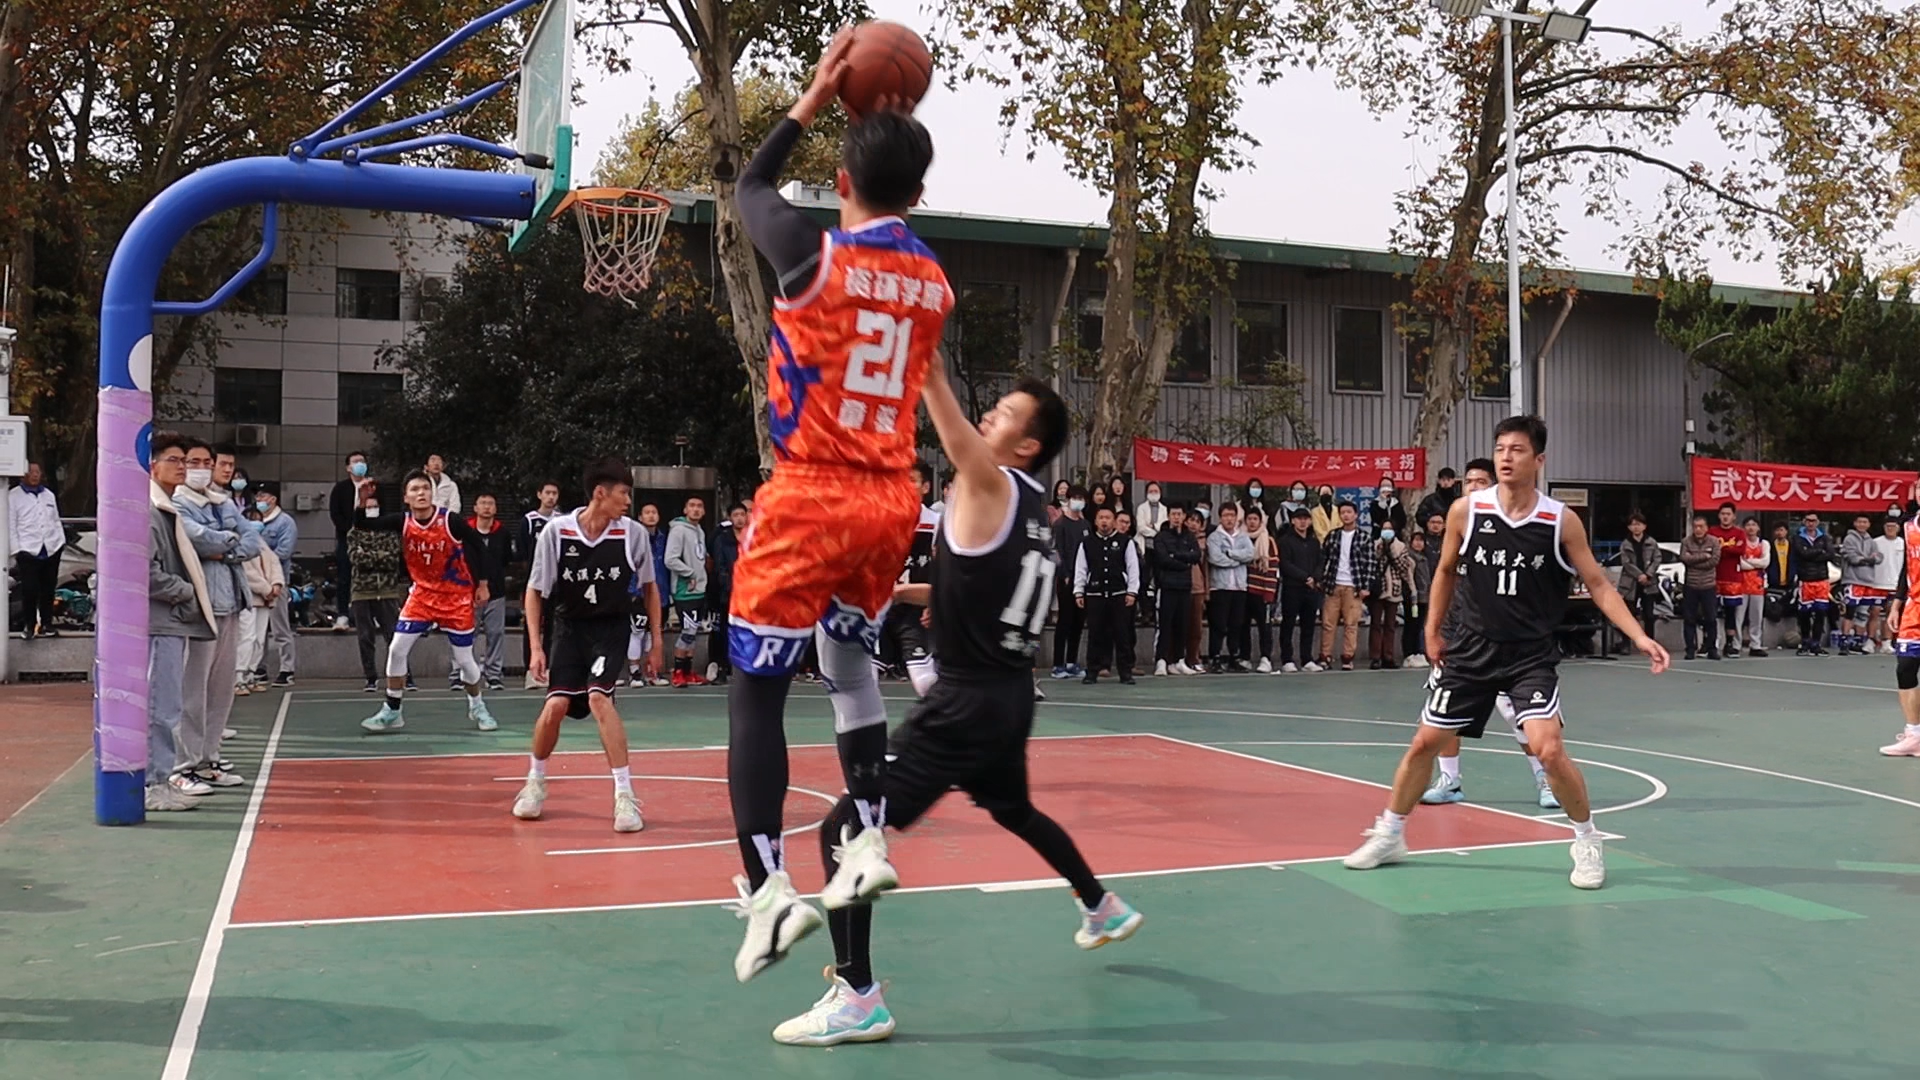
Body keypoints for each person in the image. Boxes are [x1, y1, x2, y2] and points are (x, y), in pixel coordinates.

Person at [769, 360, 1141, 1047]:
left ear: (1027, 445)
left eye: (1004, 414)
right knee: (1014, 809)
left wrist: (928, 369)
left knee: (847, 830)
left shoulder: (988, 481)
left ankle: (857, 997)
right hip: (1009, 696)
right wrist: (896, 594)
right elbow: (972, 587)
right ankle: (1101, 904)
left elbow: (954, 439)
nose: (990, 416)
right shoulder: (1031, 509)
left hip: (966, 702)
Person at [723, 36, 954, 983]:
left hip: (811, 491)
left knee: (755, 691)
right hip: (892, 500)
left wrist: (816, 95)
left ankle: (769, 893)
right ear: (918, 192)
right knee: (851, 668)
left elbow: (749, 187)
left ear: (843, 178)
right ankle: (865, 839)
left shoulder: (810, 256)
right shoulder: (936, 283)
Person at [1345, 416, 1669, 890]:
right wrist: (1431, 631)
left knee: (1548, 749)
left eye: (1517, 450)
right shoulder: (1467, 510)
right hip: (1471, 648)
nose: (1505, 457)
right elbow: (1445, 572)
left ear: (1539, 459)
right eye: (1500, 449)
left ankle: (1586, 840)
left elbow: (1599, 584)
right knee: (1423, 744)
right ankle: (1390, 833)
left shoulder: (1559, 520)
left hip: (1528, 655)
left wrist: (1639, 636)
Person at [513, 457, 665, 833]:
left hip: (610, 629)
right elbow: (534, 592)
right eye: (623, 494)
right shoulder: (557, 532)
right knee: (556, 705)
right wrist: (536, 647)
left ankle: (624, 796)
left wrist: (656, 641)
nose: (628, 502)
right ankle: (535, 782)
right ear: (600, 493)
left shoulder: (632, 534)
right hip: (568, 629)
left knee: (599, 697)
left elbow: (650, 589)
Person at [1414, 457, 1557, 810]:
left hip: (1505, 639)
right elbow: (1443, 577)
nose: (1473, 486)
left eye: (1481, 481)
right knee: (1443, 714)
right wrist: (1434, 630)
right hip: (1459, 635)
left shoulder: (1509, 528)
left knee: (1518, 716)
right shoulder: (1459, 523)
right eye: (1469, 481)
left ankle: (1545, 779)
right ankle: (1450, 780)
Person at [357, 470, 499, 734]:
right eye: (415, 489)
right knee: (397, 649)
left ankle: (477, 705)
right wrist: (361, 500)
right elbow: (364, 524)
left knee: (464, 659)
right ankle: (392, 709)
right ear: (406, 497)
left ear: (432, 493)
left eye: (425, 488)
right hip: (422, 596)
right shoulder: (403, 521)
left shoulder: (450, 521)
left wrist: (482, 583)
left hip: (456, 597)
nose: (421, 493)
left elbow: (479, 546)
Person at [172, 438, 260, 789]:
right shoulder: (177, 503)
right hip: (200, 606)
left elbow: (252, 541)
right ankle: (184, 765)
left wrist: (225, 548)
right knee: (193, 690)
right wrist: (228, 541)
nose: (201, 469)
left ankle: (209, 758)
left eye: (206, 463)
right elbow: (197, 539)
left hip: (231, 603)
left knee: (221, 691)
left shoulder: (222, 502)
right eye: (193, 462)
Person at [146, 432, 218, 811]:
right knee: (160, 706)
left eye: (183, 460)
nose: (182, 467)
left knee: (167, 705)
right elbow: (146, 573)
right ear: (152, 465)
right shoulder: (150, 511)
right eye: (173, 460)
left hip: (170, 622)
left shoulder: (165, 508)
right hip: (160, 623)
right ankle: (153, 784)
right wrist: (186, 591)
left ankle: (159, 779)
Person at [880, 465, 939, 696]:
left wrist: (934, 603)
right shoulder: (879, 520)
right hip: (878, 608)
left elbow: (946, 572)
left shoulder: (937, 524)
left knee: (924, 681)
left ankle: (954, 709)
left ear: (926, 487)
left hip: (914, 609)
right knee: (860, 676)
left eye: (912, 480)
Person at [347, 483, 406, 692]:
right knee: (365, 637)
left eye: (375, 506)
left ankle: (401, 674)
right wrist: (379, 556)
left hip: (387, 590)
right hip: (362, 591)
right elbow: (356, 559)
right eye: (368, 507)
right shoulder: (355, 533)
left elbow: (393, 559)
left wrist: (370, 556)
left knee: (394, 635)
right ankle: (370, 677)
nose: (371, 510)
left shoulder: (390, 531)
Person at [1074, 504, 1139, 684]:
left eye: (1108, 518)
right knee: (1095, 634)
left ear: (1114, 521)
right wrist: (1079, 591)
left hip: (1119, 594)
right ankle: (1092, 671)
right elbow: (1081, 568)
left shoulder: (1125, 542)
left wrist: (1132, 591)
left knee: (1122, 634)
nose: (1104, 521)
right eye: (1101, 518)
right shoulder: (1087, 543)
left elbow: (1133, 568)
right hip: (1095, 594)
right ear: (1095, 521)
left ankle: (1125, 672)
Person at [458, 494, 513, 691]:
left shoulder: (503, 533)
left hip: (496, 592)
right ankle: (461, 674)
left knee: (495, 633)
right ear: (475, 507)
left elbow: (506, 559)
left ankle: (493, 675)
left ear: (495, 509)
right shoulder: (464, 531)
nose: (486, 507)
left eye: (490, 504)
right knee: (464, 634)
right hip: (468, 592)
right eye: (483, 503)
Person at [1880, 487, 1920, 756]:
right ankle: (1914, 735)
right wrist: (1896, 604)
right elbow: (1907, 567)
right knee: (1905, 667)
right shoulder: (1909, 526)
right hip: (1914, 607)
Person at [8, 462, 63, 639]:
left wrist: (60, 541)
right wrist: (17, 550)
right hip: (28, 549)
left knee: (49, 589)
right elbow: (11, 525)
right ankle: (29, 625)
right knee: (29, 590)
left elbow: (55, 520)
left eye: (37, 472)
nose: (34, 475)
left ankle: (47, 624)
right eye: (31, 472)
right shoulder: (13, 496)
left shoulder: (48, 495)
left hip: (51, 548)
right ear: (23, 474)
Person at [1316, 501, 1373, 671]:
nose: (1346, 515)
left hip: (1353, 587)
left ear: (1356, 514)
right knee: (1328, 623)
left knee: (1351, 624)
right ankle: (1325, 656)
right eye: (1343, 512)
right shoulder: (1333, 535)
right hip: (1333, 585)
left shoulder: (1364, 537)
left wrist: (1366, 587)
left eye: (1349, 512)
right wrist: (1321, 579)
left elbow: (1370, 563)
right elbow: (1323, 558)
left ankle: (1348, 657)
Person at [520, 480, 564, 689]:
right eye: (547, 492)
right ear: (539, 495)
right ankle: (531, 671)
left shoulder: (562, 521)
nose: (551, 497)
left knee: (554, 627)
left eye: (554, 493)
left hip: (556, 583)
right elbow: (522, 554)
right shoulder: (529, 521)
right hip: (534, 583)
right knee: (532, 625)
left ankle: (549, 670)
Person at [254, 484, 298, 686]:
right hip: (256, 582)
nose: (259, 500)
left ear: (273, 499)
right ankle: (258, 667)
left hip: (276, 580)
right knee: (258, 629)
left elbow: (284, 552)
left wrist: (262, 562)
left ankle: (287, 669)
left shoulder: (285, 522)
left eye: (263, 496)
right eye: (257, 496)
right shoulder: (254, 520)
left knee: (280, 627)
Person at [665, 496, 710, 687]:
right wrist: (690, 573)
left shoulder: (699, 531)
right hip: (685, 590)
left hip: (699, 589)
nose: (696, 509)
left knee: (693, 631)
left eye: (699, 506)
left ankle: (688, 670)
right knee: (687, 631)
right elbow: (670, 559)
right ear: (685, 510)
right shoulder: (678, 530)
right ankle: (677, 671)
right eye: (692, 506)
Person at [1205, 502, 1256, 671]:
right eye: (1226, 515)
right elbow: (1215, 558)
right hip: (1220, 587)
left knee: (1236, 624)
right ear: (1220, 517)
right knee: (1218, 624)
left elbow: (1250, 554)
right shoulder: (1214, 537)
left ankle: (1234, 656)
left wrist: (1230, 553)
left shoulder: (1243, 536)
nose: (1229, 519)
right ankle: (1215, 657)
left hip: (1239, 587)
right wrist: (1238, 561)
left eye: (1232, 515)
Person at [1151, 505, 1200, 676]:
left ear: (1184, 516)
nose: (1176, 517)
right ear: (1168, 516)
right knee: (1165, 625)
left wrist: (1176, 555)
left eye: (1179, 514)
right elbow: (1163, 559)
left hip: (1185, 586)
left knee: (1182, 624)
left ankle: (1179, 660)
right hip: (1167, 585)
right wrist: (1184, 562)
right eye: (1173, 514)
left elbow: (1196, 556)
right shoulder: (1161, 536)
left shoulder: (1189, 536)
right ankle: (1161, 660)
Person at [1049, 485, 1089, 678]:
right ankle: (1058, 664)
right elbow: (1056, 551)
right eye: (1075, 497)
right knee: (1064, 621)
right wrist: (1064, 574)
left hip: (1083, 579)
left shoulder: (1085, 525)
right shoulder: (1060, 524)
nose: (1078, 501)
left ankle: (1072, 661)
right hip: (1066, 579)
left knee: (1078, 621)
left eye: (1081, 498)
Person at [327, 451, 371, 629]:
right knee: (344, 577)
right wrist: (348, 530)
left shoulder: (372, 486)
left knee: (368, 577)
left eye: (362, 461)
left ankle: (370, 614)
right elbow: (335, 513)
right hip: (346, 538)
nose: (360, 464)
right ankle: (343, 614)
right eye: (355, 461)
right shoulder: (341, 488)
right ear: (348, 467)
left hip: (369, 539)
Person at [1276, 505, 1321, 672]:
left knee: (1308, 625)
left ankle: (1307, 658)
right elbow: (1285, 564)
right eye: (1299, 519)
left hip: (1311, 589)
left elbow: (1320, 562)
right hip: (1292, 588)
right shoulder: (1285, 541)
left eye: (1305, 519)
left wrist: (1315, 577)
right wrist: (1304, 577)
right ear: (1293, 521)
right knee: (1288, 624)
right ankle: (1287, 659)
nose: (1302, 522)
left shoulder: (1314, 542)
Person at [1368, 521, 1414, 669]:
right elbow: (1372, 564)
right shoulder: (1375, 545)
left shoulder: (1401, 546)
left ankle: (1388, 656)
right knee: (1376, 624)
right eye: (1384, 528)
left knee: (1390, 625)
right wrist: (1381, 551)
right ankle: (1375, 657)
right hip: (1378, 589)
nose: (1387, 531)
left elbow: (1403, 567)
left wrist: (1392, 552)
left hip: (1394, 589)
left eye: (1389, 529)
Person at [709, 502, 746, 685]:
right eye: (736, 515)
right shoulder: (722, 539)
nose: (739, 518)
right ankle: (722, 668)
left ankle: (744, 671)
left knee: (745, 633)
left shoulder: (753, 537)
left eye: (742, 514)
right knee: (724, 632)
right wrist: (729, 586)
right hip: (728, 594)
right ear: (730, 518)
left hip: (750, 594)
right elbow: (719, 567)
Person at [1838, 513, 1885, 655]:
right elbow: (1853, 558)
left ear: (1869, 524)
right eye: (1860, 522)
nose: (1862, 524)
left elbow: (1879, 557)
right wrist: (1868, 559)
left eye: (1865, 522)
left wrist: (1867, 559)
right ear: (1855, 523)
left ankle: (1858, 642)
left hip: (1868, 581)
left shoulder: (1871, 541)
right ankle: (1844, 641)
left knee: (1863, 613)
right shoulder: (1849, 539)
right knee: (1850, 612)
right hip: (1853, 580)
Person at [1792, 512, 1835, 655]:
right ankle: (1805, 642)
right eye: (1808, 520)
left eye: (1814, 520)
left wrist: (1811, 553)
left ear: (1818, 522)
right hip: (1805, 580)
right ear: (1804, 522)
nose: (1811, 523)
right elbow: (1802, 554)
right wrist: (1819, 552)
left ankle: (1816, 643)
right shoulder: (1798, 538)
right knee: (1804, 613)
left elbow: (1830, 554)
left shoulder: (1825, 538)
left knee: (1821, 613)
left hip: (1822, 579)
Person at [1679, 516, 1722, 661]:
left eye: (1701, 526)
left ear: (1706, 528)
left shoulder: (1714, 541)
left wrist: (1694, 560)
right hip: (1691, 585)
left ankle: (1712, 649)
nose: (1698, 529)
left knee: (1711, 618)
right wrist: (1704, 555)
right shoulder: (1686, 542)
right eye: (1696, 526)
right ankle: (1690, 649)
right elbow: (1684, 559)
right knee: (1689, 619)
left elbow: (1714, 561)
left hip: (1708, 585)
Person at [1618, 512, 1663, 642]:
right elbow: (1626, 563)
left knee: (1649, 615)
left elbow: (1657, 559)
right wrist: (1639, 575)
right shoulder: (1625, 544)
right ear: (1629, 527)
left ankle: (1650, 642)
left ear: (1644, 526)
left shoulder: (1651, 542)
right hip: (1630, 584)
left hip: (1648, 583)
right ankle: (1626, 643)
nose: (1636, 527)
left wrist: (1648, 575)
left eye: (1638, 524)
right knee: (1629, 615)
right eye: (1633, 524)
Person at [1708, 502, 1747, 656]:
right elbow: (1710, 550)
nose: (1725, 517)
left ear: (1734, 516)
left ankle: (1729, 644)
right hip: (1714, 577)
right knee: (1712, 612)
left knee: (1731, 613)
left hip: (1733, 579)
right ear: (1719, 516)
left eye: (1728, 514)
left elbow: (1740, 550)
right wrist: (1728, 549)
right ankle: (1712, 642)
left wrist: (1722, 549)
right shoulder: (1712, 532)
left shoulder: (1739, 533)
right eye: (1723, 514)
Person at [1244, 506, 1278, 672]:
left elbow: (1272, 568)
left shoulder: (1268, 540)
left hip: (1262, 591)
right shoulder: (1241, 538)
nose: (1252, 522)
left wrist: (1269, 592)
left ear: (1260, 521)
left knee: (1265, 627)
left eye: (1255, 519)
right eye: (1249, 519)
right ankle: (1245, 657)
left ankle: (1266, 658)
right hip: (1244, 591)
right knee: (1243, 626)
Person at [1869, 515, 1905, 655]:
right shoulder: (1875, 542)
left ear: (1898, 528)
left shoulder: (1903, 543)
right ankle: (1870, 641)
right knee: (1874, 613)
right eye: (1888, 526)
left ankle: (1887, 642)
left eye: (1893, 526)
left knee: (1891, 613)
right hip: (1876, 583)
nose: (1890, 529)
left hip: (1895, 585)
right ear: (1884, 528)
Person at [1737, 516, 1770, 657]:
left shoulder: (1764, 544)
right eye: (1748, 525)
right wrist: (1756, 563)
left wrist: (1749, 561)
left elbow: (1765, 562)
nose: (1751, 528)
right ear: (1743, 528)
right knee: (1738, 616)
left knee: (1756, 616)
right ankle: (1736, 644)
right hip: (1741, 584)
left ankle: (1755, 644)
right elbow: (1740, 563)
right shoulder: (1740, 543)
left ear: (1758, 528)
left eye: (1754, 524)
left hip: (1758, 585)